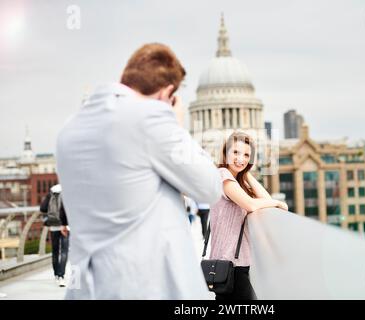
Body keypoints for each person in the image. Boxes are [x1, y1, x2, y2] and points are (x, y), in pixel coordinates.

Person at [56, 43, 222, 299]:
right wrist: (175, 124)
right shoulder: (149, 119)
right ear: (167, 93)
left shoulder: (69, 129)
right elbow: (210, 187)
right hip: (146, 288)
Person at [209, 132, 288, 300]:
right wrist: (277, 203)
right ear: (225, 153)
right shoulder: (223, 176)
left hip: (237, 262)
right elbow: (251, 204)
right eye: (235, 152)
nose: (240, 158)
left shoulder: (237, 180)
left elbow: (265, 199)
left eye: (246, 155)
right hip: (230, 262)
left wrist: (246, 173)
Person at [40, 184, 69, 287]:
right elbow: (66, 209)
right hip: (65, 227)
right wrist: (64, 225)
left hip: (53, 226)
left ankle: (56, 274)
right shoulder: (67, 190)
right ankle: (61, 276)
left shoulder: (52, 191)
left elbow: (43, 208)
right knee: (64, 251)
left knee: (55, 251)